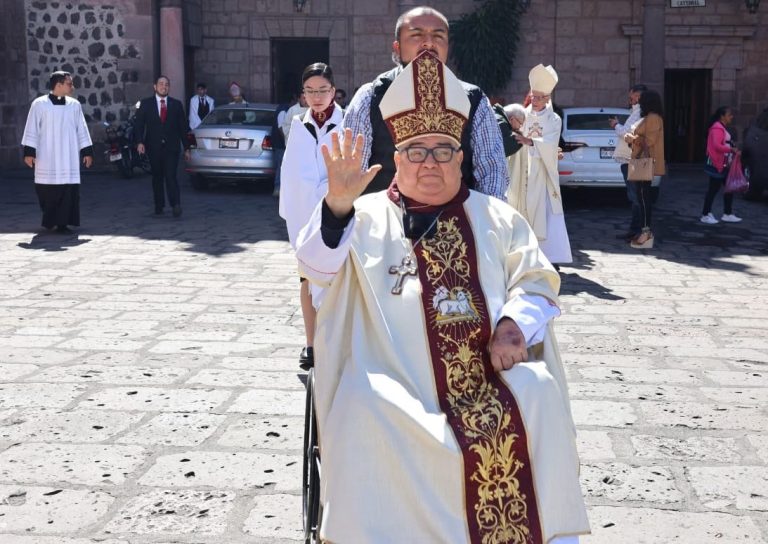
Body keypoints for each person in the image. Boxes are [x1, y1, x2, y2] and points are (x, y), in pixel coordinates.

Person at [295, 50, 589, 544]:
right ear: (396, 157)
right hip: (393, 382)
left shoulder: (498, 217)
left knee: (538, 391)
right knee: (361, 405)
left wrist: (513, 325)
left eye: (443, 149)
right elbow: (313, 267)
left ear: (461, 156)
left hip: (487, 378)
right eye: (415, 149)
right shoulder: (360, 216)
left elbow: (537, 281)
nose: (429, 161)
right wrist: (335, 205)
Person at [342, 6, 508, 199]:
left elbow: (493, 172)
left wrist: (486, 223)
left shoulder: (474, 99)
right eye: (416, 35)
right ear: (397, 47)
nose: (429, 43)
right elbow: (351, 175)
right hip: (386, 220)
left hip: (457, 222)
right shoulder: (371, 97)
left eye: (438, 36)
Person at [278, 63, 343, 370]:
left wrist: (331, 192)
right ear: (303, 95)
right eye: (310, 91)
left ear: (334, 91)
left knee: (339, 280)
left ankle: (340, 342)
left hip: (339, 212)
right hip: (306, 215)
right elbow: (291, 174)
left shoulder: (346, 123)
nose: (317, 97)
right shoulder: (298, 127)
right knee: (307, 277)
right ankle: (311, 343)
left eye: (323, 90)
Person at [21, 70, 93, 234]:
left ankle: (63, 223)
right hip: (47, 156)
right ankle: (50, 219)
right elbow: (32, 127)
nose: (72, 86)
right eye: (69, 83)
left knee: (68, 190)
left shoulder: (74, 105)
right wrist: (29, 152)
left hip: (68, 157)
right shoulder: (39, 104)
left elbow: (81, 129)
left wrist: (87, 152)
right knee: (47, 190)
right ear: (58, 85)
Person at [514, 64, 572, 266]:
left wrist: (531, 142)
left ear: (548, 98)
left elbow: (551, 143)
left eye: (540, 97)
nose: (536, 101)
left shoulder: (554, 119)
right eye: (534, 96)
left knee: (547, 215)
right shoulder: (522, 114)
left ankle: (549, 257)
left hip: (543, 174)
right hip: (523, 171)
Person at [134, 75, 191, 217]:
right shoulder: (145, 104)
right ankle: (159, 205)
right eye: (161, 84)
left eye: (166, 84)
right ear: (155, 86)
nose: (163, 86)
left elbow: (183, 128)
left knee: (171, 175)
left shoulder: (176, 105)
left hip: (172, 147)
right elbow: (139, 125)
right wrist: (140, 142)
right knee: (157, 177)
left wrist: (188, 148)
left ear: (169, 87)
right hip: (153, 147)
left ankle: (175, 204)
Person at [624, 89, 666, 248]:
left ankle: (646, 232)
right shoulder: (649, 117)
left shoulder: (653, 118)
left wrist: (631, 138)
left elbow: (649, 141)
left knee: (643, 198)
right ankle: (644, 231)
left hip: (645, 161)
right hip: (641, 160)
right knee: (642, 198)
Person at [610, 83, 648, 240]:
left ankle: (639, 231)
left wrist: (615, 125)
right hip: (634, 158)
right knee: (637, 197)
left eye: (631, 96)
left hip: (635, 159)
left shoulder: (640, 113)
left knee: (637, 197)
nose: (630, 99)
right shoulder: (638, 112)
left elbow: (626, 133)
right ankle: (635, 230)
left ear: (638, 96)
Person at [700, 106, 742, 224]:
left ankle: (727, 213)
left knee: (728, 188)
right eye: (729, 115)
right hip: (717, 164)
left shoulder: (720, 127)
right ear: (722, 116)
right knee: (713, 189)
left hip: (724, 163)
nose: (731, 117)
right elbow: (717, 146)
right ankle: (705, 214)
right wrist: (732, 150)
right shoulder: (717, 128)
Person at [502, 102, 530, 215]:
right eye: (520, 124)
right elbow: (507, 147)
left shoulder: (504, 124)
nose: (520, 127)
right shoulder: (502, 126)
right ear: (512, 119)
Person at [271, 93, 298, 197]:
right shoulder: (283, 110)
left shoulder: (285, 109)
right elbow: (281, 127)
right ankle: (278, 188)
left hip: (282, 144)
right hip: (281, 145)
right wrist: (287, 141)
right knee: (281, 167)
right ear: (293, 100)